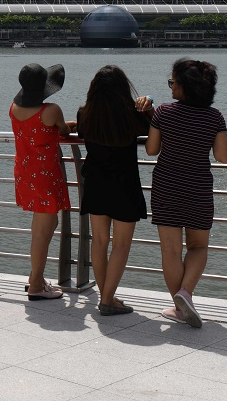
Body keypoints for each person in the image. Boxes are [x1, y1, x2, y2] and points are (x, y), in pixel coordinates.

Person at [146, 58, 227, 328]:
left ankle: (179, 307)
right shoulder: (214, 117)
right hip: (198, 188)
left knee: (170, 250)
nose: (171, 86)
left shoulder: (164, 112)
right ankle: (186, 294)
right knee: (198, 246)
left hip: (166, 187)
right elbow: (223, 156)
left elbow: (151, 150)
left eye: (173, 82)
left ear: (184, 87)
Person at [76, 65, 154, 316]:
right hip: (125, 183)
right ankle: (108, 299)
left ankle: (105, 296)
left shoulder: (84, 114)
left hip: (96, 182)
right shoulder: (132, 115)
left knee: (99, 241)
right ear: (123, 88)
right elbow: (153, 128)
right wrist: (149, 102)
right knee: (121, 244)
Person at [9, 63, 75, 301]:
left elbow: (34, 132)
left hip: (26, 172)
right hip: (46, 175)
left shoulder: (14, 108)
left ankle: (34, 277)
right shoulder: (52, 110)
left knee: (40, 227)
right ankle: (36, 284)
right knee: (44, 231)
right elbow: (64, 130)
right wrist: (67, 127)